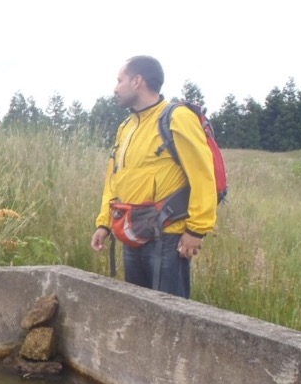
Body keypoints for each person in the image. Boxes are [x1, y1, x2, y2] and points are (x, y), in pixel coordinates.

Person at [90, 56, 217, 298]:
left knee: (170, 313)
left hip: (168, 237)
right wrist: (104, 223)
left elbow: (202, 174)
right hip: (131, 232)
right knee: (137, 310)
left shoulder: (178, 117)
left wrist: (197, 230)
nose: (115, 88)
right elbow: (114, 180)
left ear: (137, 81)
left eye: (119, 80)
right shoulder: (125, 127)